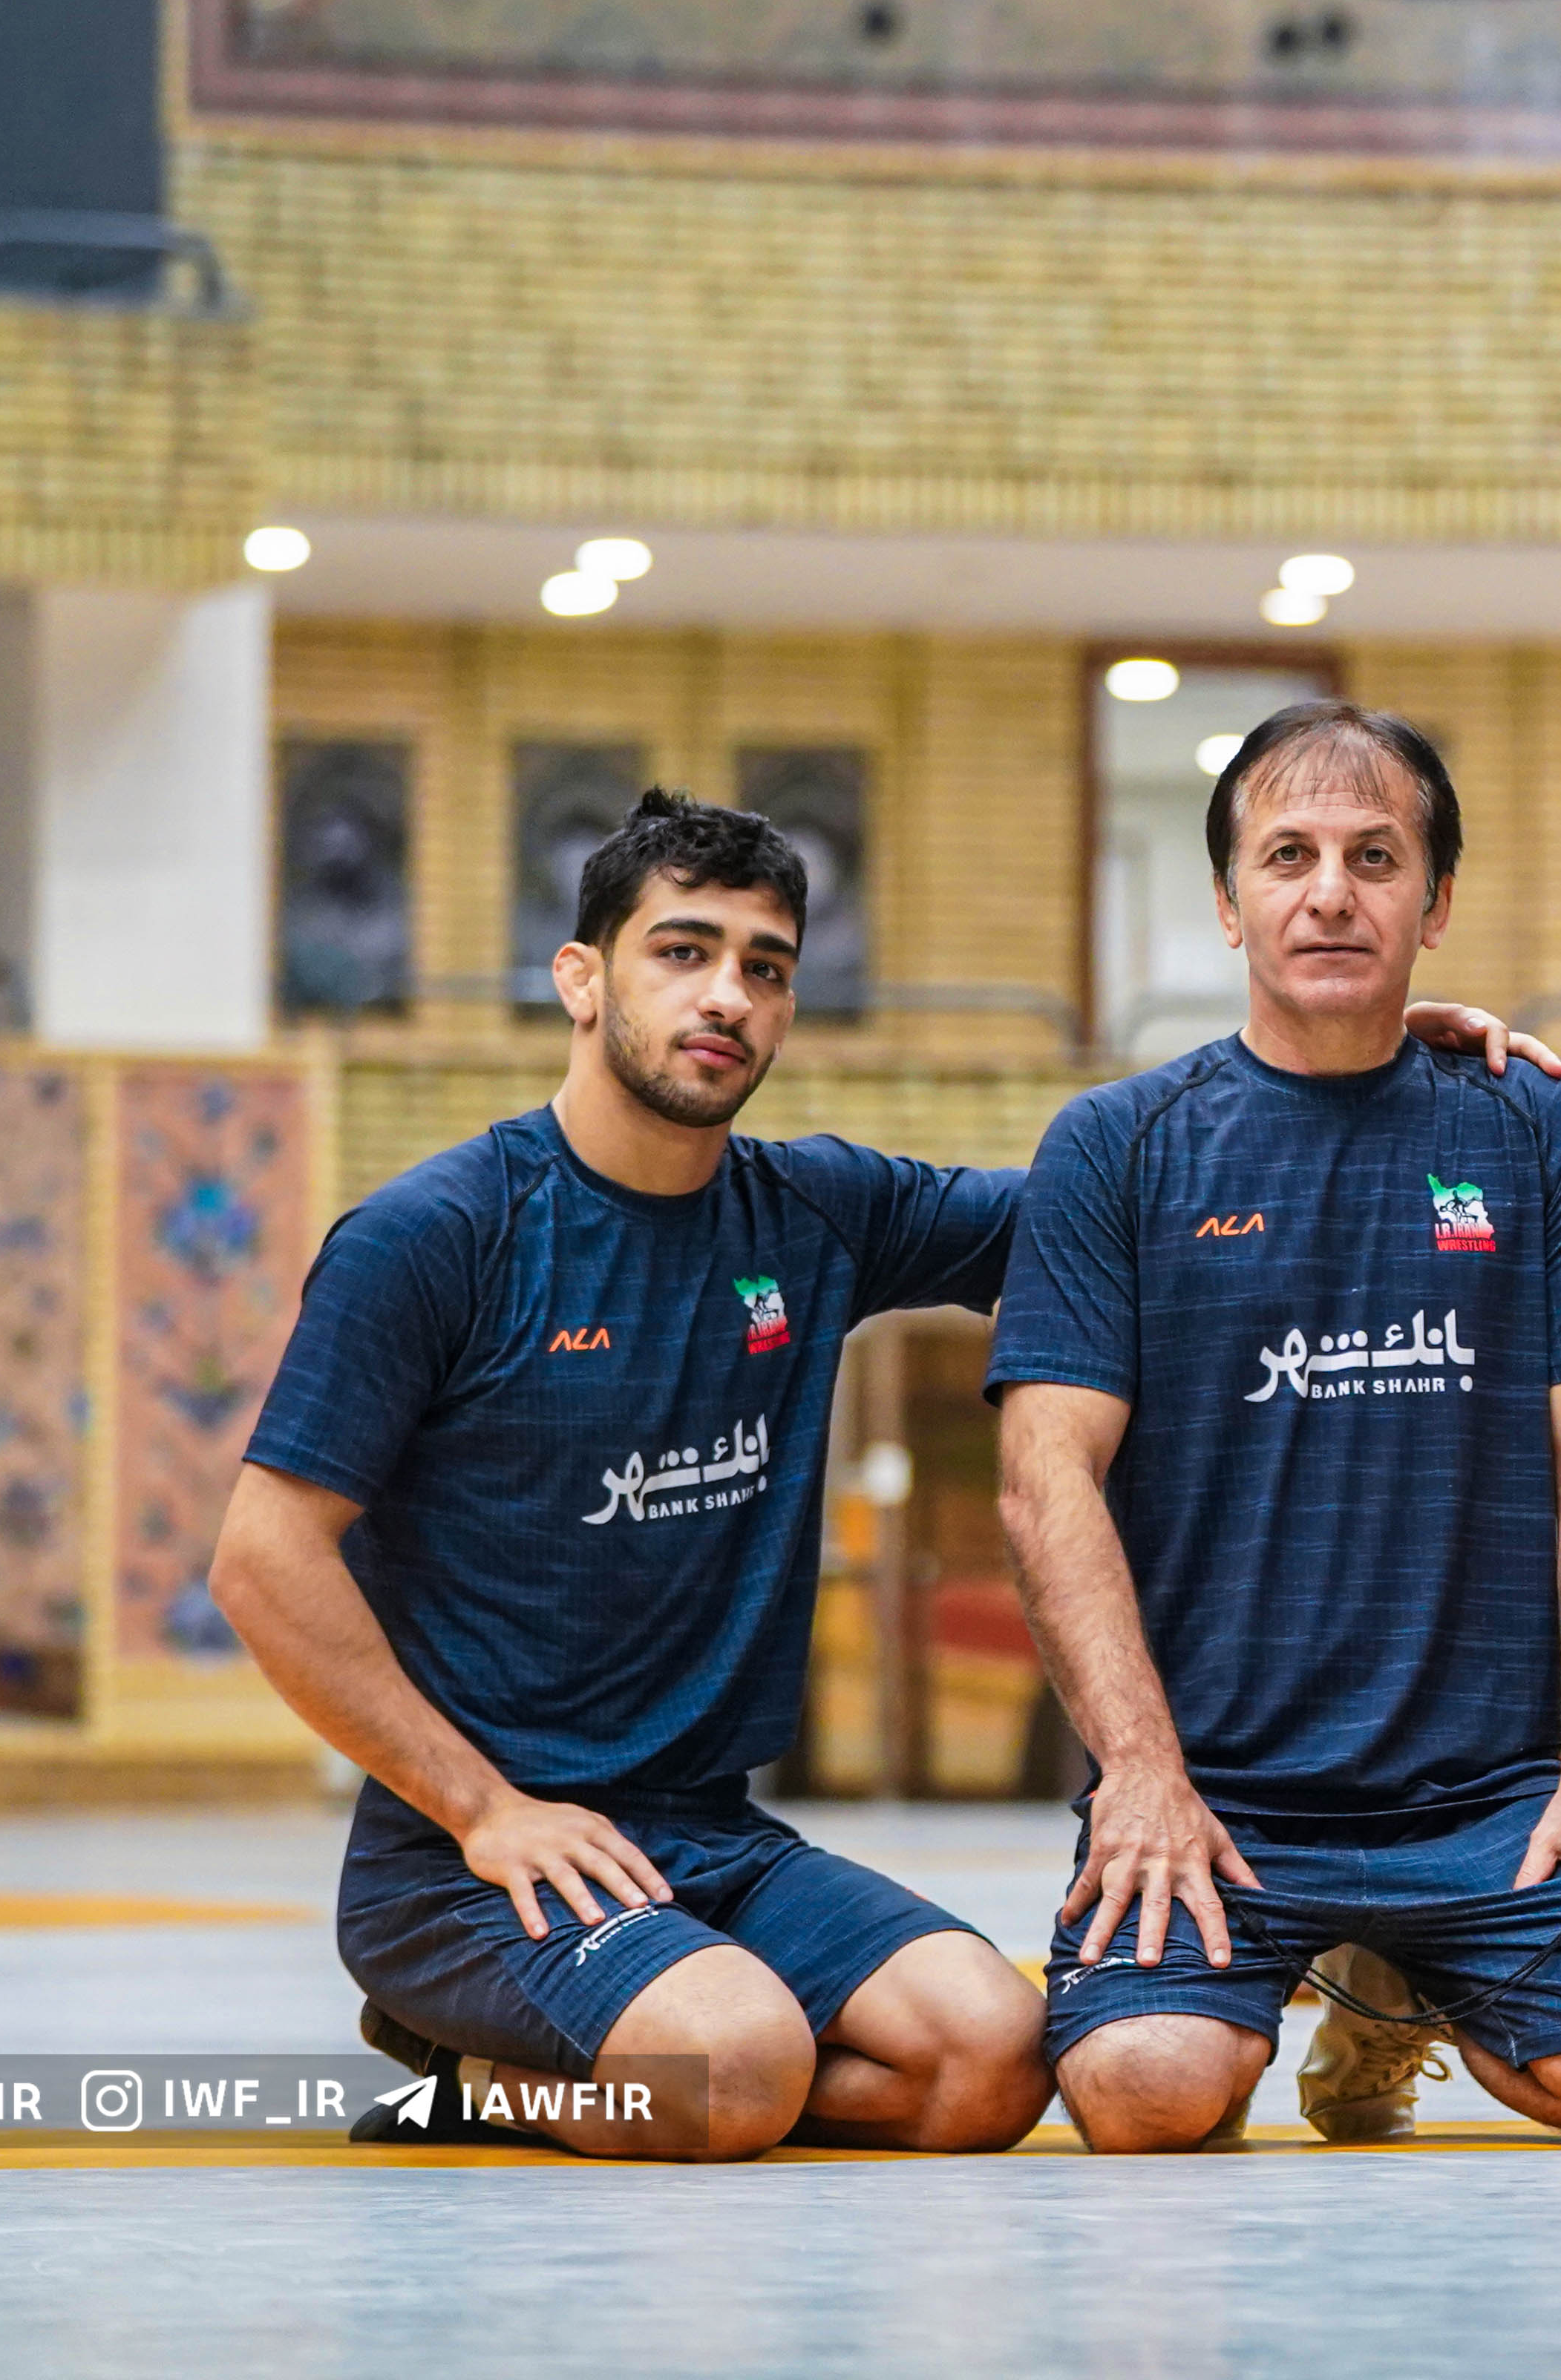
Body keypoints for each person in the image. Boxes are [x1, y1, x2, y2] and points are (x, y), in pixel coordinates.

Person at [214, 790, 1050, 2161]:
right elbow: (263, 1560)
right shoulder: (438, 1236)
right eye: (682, 951)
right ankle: (466, 2074)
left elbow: (1109, 1199)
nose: (727, 995)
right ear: (582, 979)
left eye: (765, 968)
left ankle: (670, 2064)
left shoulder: (816, 1214)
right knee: (736, 2060)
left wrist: (1352, 1077)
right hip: (470, 1863)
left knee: (992, 2060)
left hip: (710, 1837)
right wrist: (482, 1809)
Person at [992, 700, 1561, 2152]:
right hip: (1222, 1794)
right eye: (1288, 855)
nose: (1330, 891)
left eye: (1375, 857)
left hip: (1495, 1799)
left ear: (1435, 903)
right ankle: (1338, 1956)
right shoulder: (1116, 1145)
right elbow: (1043, 1478)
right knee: (1145, 2090)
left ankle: (1419, 1973)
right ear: (1228, 902)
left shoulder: (1537, 1131)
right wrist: (1141, 1773)